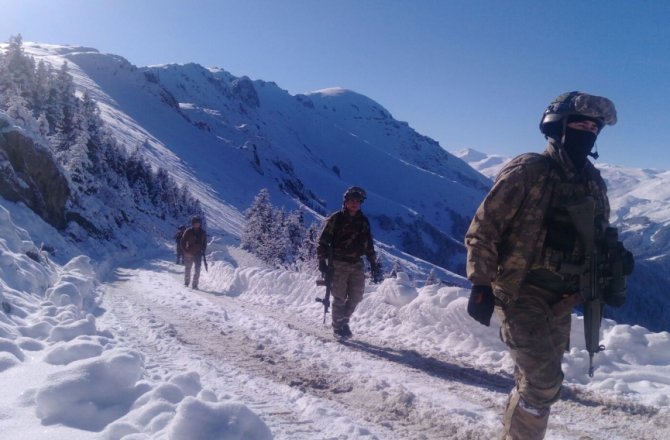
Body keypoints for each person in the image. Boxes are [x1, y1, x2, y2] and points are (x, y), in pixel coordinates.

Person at [464, 91, 619, 439]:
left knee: (537, 384)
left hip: (562, 299)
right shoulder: (530, 171)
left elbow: (600, 235)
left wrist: (612, 266)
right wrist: (480, 283)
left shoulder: (592, 181)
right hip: (520, 293)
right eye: (580, 124)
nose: (588, 132)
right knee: (543, 382)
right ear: (558, 126)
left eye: (594, 127)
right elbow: (484, 227)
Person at [317, 186, 383, 338]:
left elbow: (368, 243)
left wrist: (373, 261)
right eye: (352, 200)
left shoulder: (363, 221)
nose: (354, 204)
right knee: (339, 297)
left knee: (356, 297)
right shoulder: (336, 219)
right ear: (346, 201)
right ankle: (337, 327)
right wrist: (322, 262)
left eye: (357, 201)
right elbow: (323, 242)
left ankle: (343, 322)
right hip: (338, 264)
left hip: (356, 263)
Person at [180, 216, 207, 290]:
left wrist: (203, 250)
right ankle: (186, 283)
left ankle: (195, 285)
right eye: (196, 223)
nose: (197, 224)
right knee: (188, 268)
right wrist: (185, 250)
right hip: (189, 253)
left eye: (198, 223)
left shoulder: (202, 232)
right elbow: (182, 241)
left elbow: (204, 243)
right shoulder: (188, 231)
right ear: (193, 223)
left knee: (197, 269)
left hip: (198, 253)